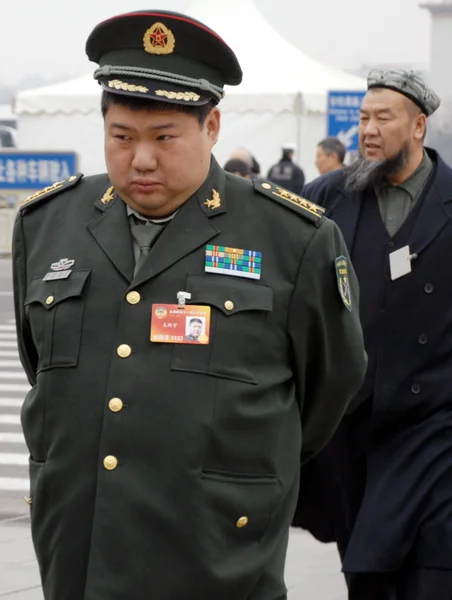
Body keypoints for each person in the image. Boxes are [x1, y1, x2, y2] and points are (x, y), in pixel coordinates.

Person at [12, 10, 366, 600]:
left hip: (216, 554)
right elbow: (42, 369)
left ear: (212, 126)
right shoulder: (48, 225)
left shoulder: (292, 238)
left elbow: (331, 386)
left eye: (164, 137)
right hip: (79, 548)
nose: (141, 159)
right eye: (122, 137)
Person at [296, 68, 452, 600]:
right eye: (362, 117)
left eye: (383, 117)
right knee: (365, 567)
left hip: (432, 422)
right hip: (350, 424)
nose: (368, 129)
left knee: (433, 563)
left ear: (418, 127)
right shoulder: (325, 197)